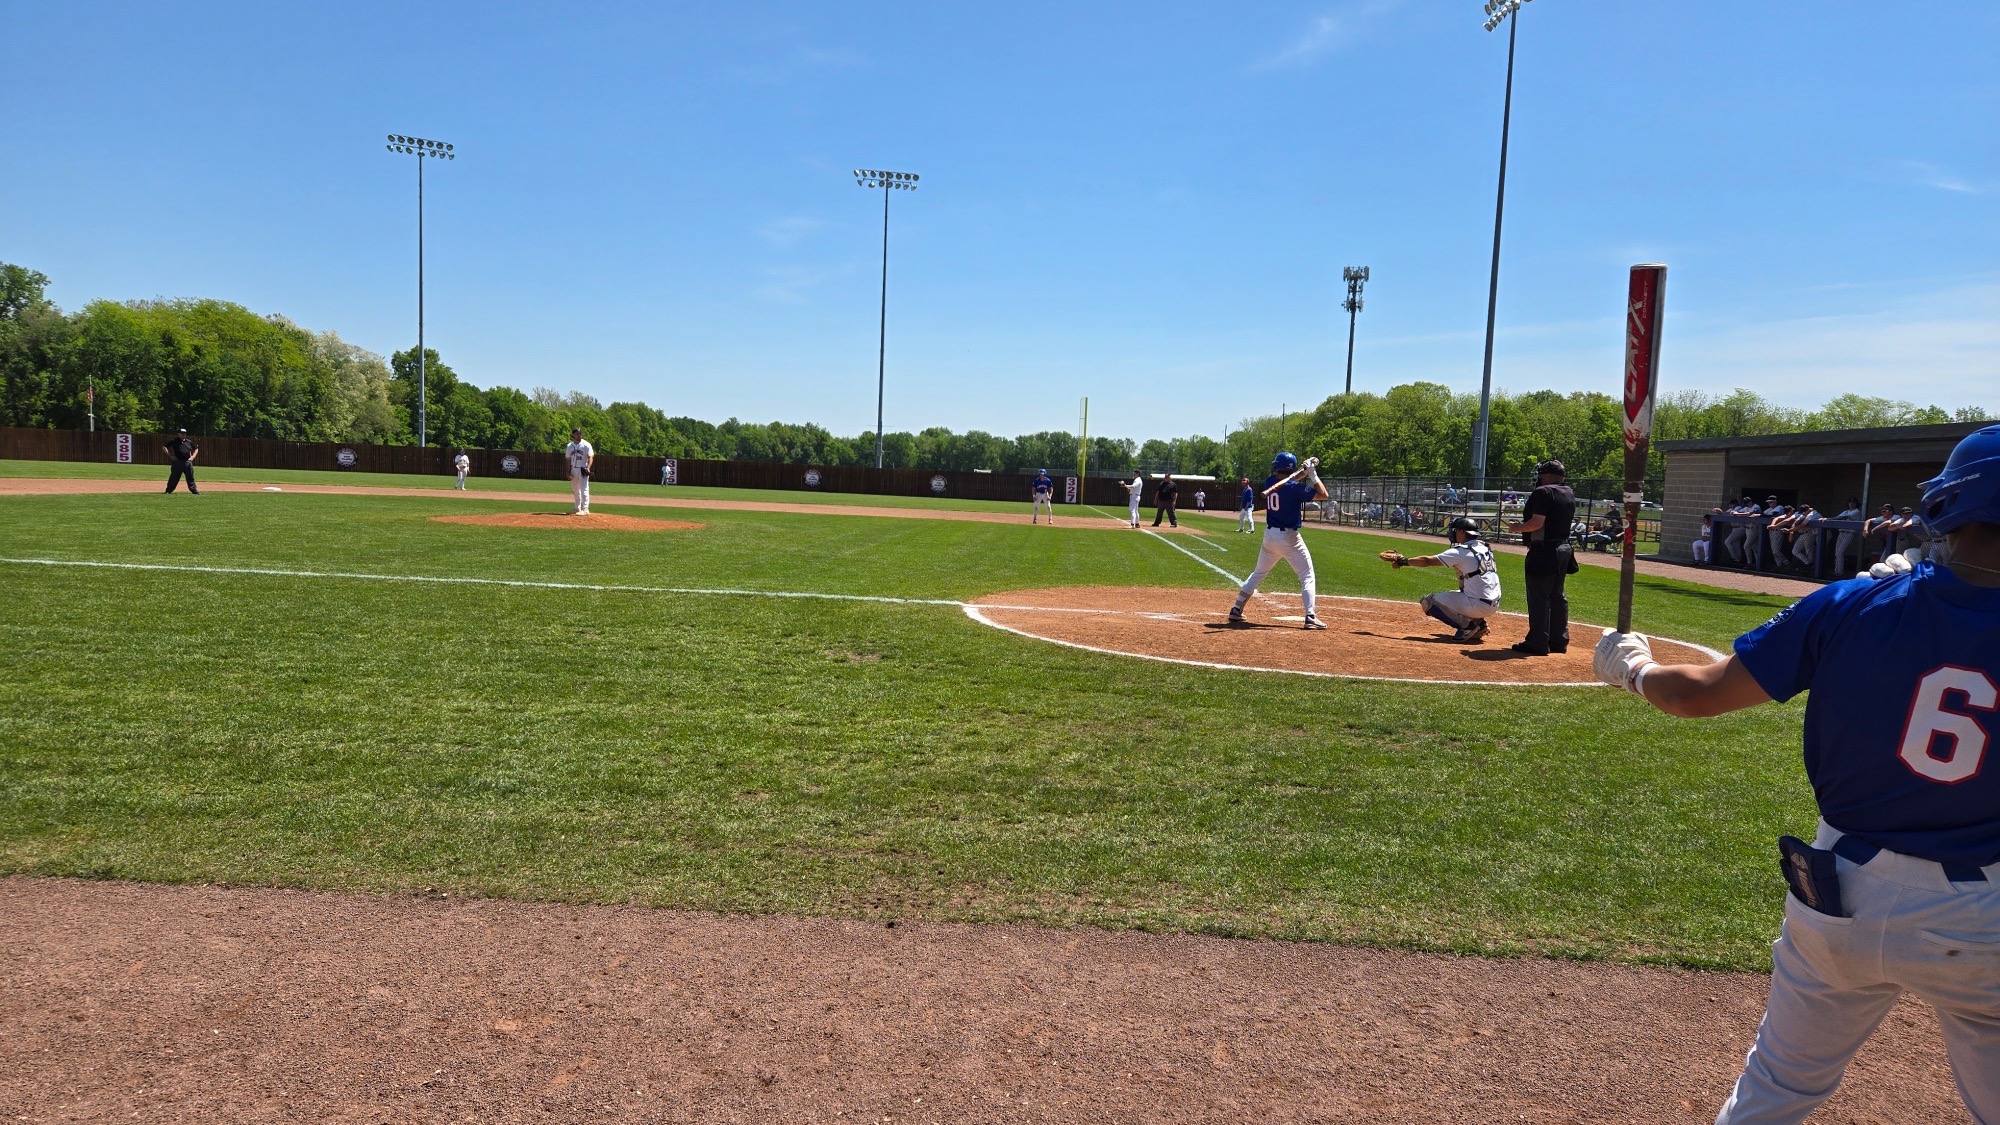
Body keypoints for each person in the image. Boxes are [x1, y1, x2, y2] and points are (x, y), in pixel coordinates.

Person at [1592, 424, 2000, 1124]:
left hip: (1836, 892)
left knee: (1774, 1090)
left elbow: (1695, 693)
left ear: (1948, 506)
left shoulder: (1854, 602)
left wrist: (1631, 668)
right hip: (1978, 918)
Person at [1227, 452, 1328, 630]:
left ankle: (1237, 608)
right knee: (1306, 575)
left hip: (1270, 536)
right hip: (1289, 538)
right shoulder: (1294, 488)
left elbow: (1292, 479)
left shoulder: (1270, 482)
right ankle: (1310, 616)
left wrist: (1304, 470)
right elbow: (1323, 494)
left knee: (1258, 573)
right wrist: (1312, 474)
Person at [1380, 516, 1501, 644]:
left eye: (1455, 530)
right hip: (1492, 602)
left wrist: (1403, 561)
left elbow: (1427, 561)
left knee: (1429, 602)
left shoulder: (1461, 551)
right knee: (1463, 583)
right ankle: (1479, 623)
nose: (1453, 533)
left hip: (1478, 604)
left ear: (1461, 532)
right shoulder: (1484, 548)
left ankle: (1468, 627)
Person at [1507, 459, 1576, 656]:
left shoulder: (1543, 492)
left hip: (1545, 549)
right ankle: (1558, 641)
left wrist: (1516, 528)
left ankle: (1537, 642)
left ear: (1546, 475)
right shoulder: (1568, 491)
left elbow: (1537, 523)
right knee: (1557, 596)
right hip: (1564, 548)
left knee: (1539, 596)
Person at [563, 427, 594, 515]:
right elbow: (568, 459)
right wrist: (567, 472)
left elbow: (590, 457)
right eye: (577, 433)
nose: (579, 435)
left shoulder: (586, 444)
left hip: (583, 468)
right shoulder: (569, 446)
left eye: (580, 433)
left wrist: (588, 467)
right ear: (573, 435)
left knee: (584, 489)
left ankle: (585, 509)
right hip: (573, 469)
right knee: (575, 490)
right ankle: (577, 508)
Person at [161, 428, 199, 495]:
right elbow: (164, 447)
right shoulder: (174, 441)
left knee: (190, 477)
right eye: (181, 433)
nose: (183, 435)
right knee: (174, 477)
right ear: (178, 434)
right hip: (177, 462)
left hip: (187, 462)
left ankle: (194, 491)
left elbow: (196, 449)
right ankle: (168, 491)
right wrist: (170, 455)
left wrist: (193, 457)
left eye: (184, 433)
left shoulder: (189, 442)